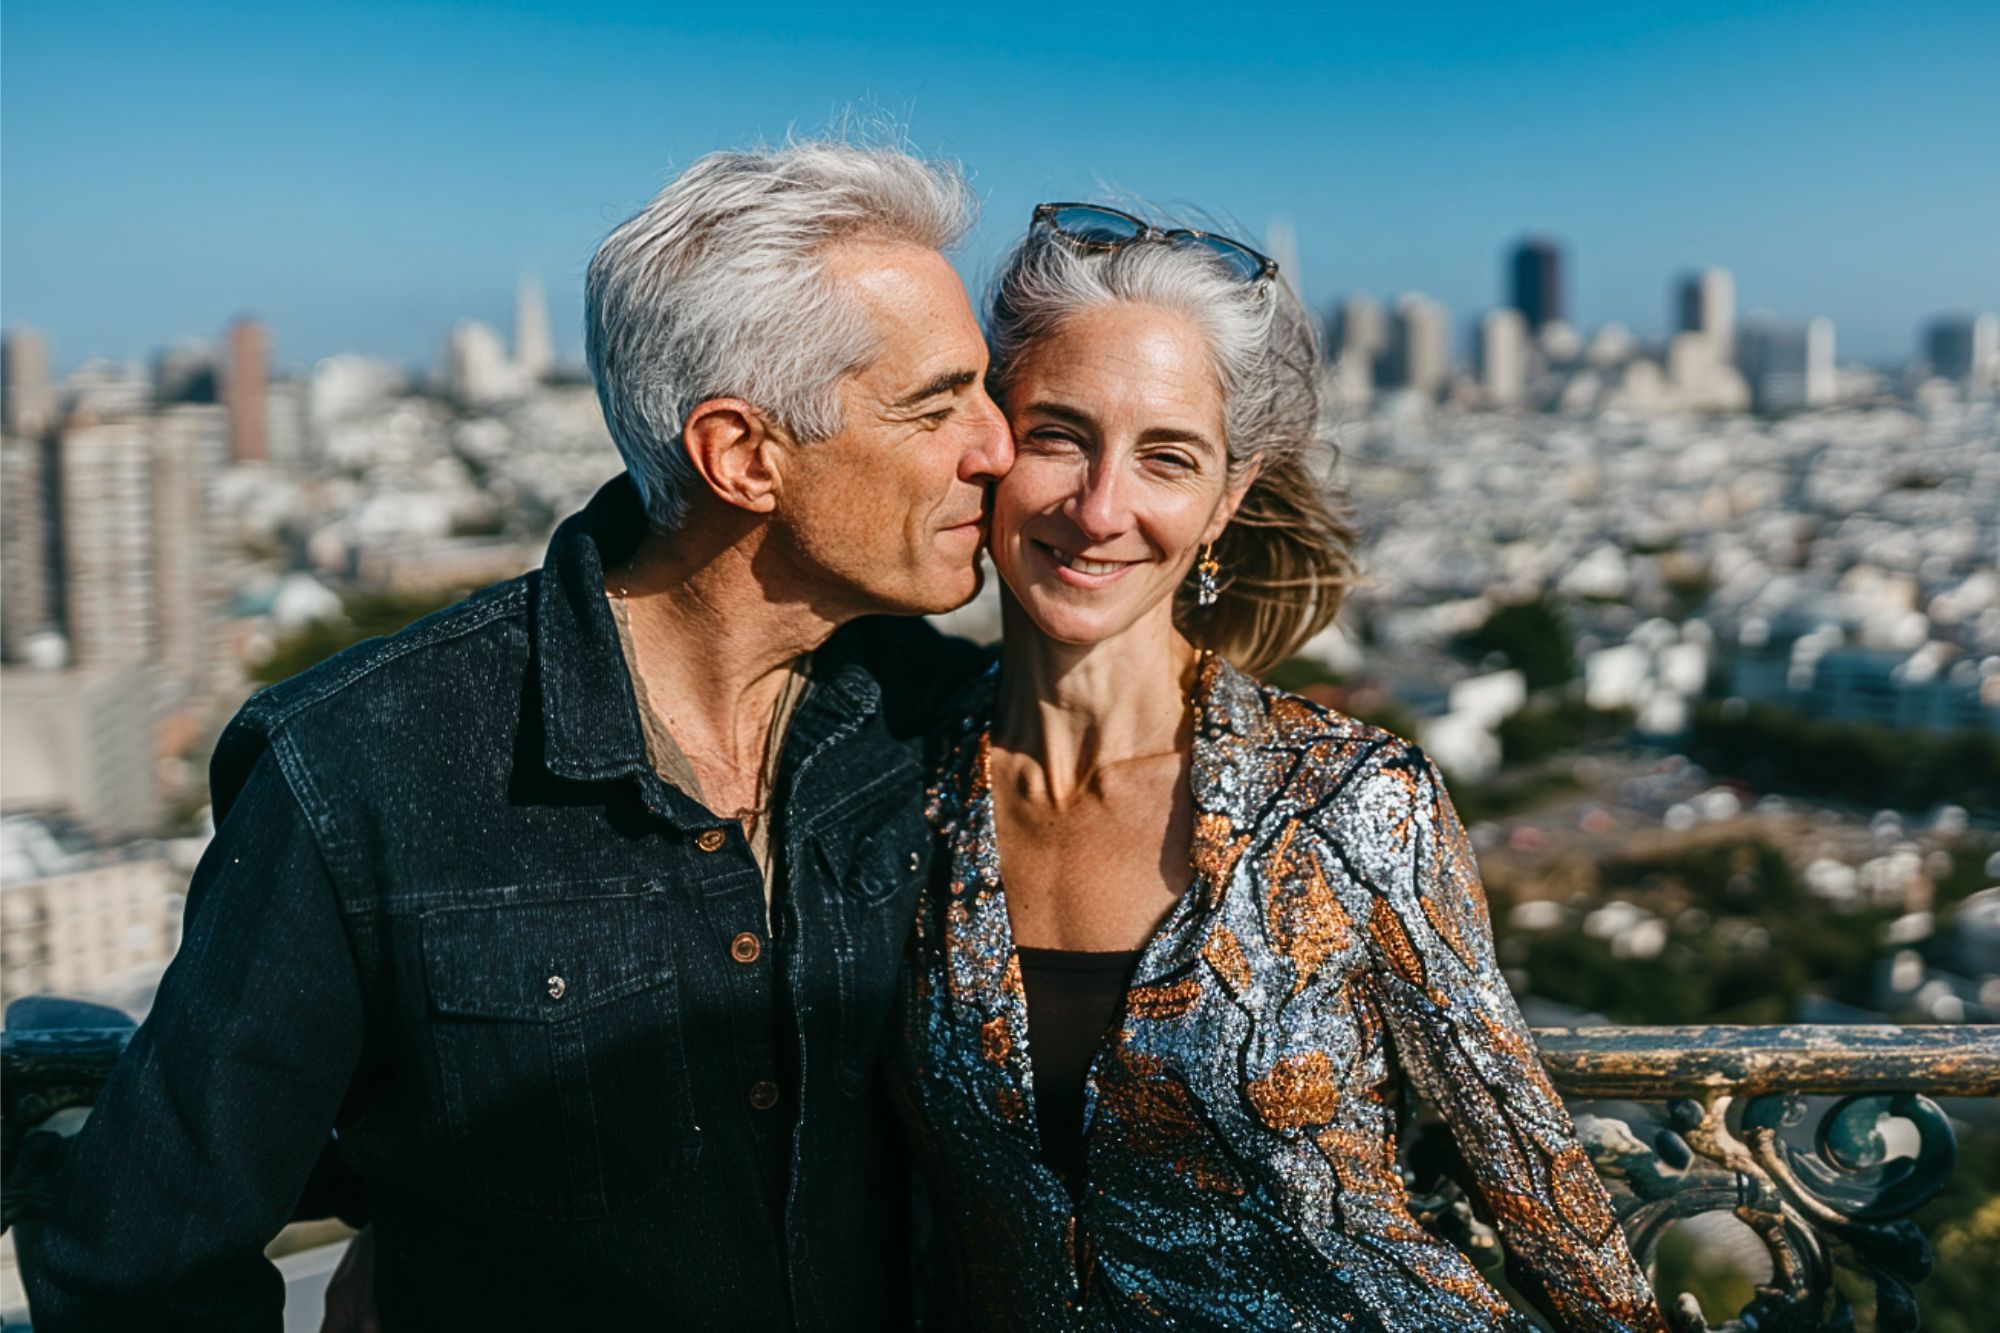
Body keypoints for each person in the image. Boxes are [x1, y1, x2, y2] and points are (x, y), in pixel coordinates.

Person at [20, 137, 1012, 1331]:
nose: (994, 445)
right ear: (743, 455)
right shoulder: (361, 764)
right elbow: (144, 1260)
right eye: (936, 403)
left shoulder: (931, 718)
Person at [891, 204, 1669, 1331]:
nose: (1100, 508)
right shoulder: (901, 792)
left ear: (1226, 500)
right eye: (1057, 434)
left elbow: (1529, 1172)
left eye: (1166, 457)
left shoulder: (1348, 802)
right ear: (990, 446)